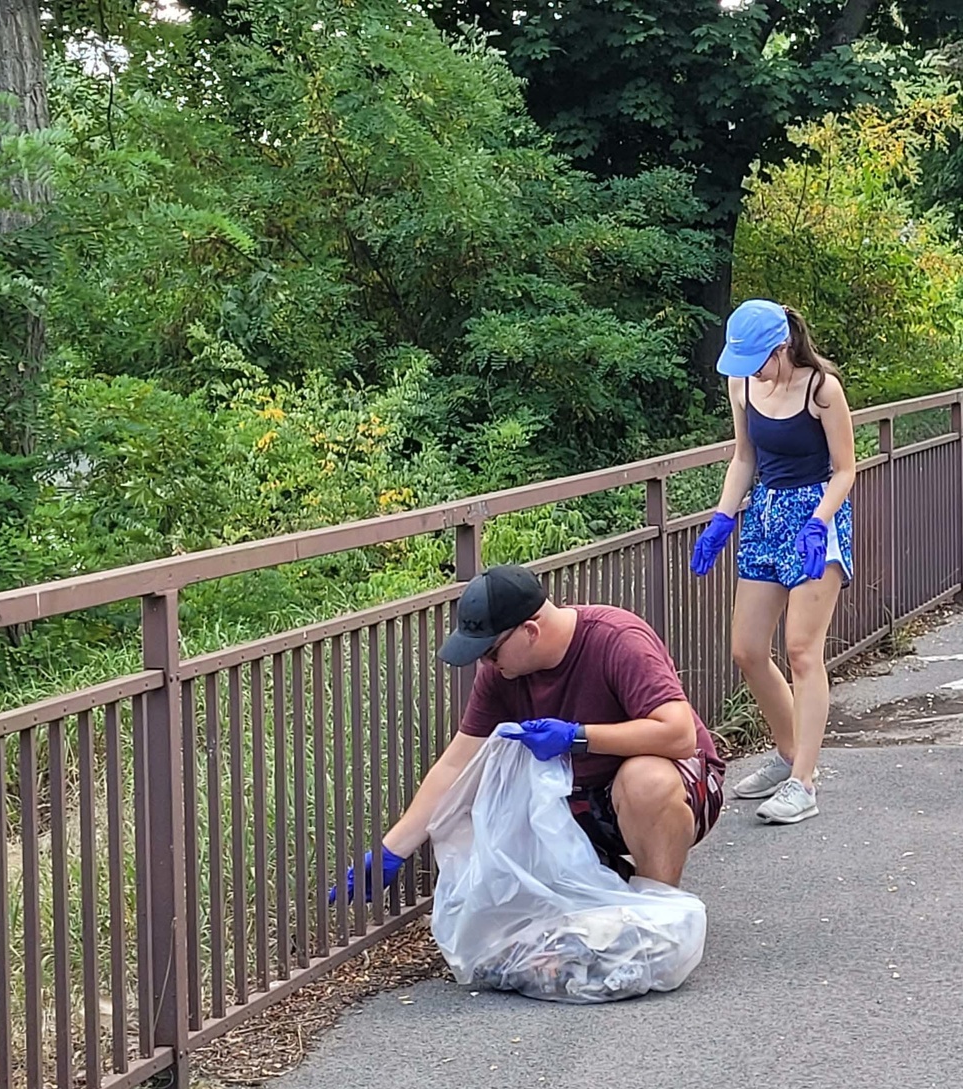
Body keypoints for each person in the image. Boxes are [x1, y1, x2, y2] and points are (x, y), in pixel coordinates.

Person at [334, 563, 725, 904]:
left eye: (491, 652)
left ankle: (659, 915)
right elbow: (456, 765)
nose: (485, 663)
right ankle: (600, 901)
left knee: (645, 780)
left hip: (677, 789)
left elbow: (678, 735)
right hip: (580, 802)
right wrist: (392, 851)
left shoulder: (616, 638)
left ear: (530, 631)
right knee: (485, 813)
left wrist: (578, 736)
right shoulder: (501, 674)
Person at [690, 298, 855, 824]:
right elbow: (745, 457)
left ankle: (804, 782)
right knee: (746, 648)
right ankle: (787, 756)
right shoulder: (742, 384)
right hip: (764, 515)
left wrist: (820, 521)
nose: (749, 372)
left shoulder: (820, 388)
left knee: (803, 651)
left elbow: (846, 469)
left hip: (815, 519)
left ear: (781, 348)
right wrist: (722, 517)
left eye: (756, 360)